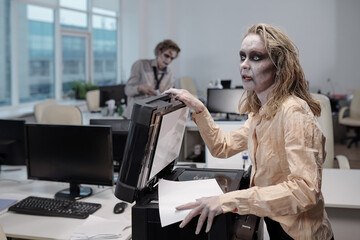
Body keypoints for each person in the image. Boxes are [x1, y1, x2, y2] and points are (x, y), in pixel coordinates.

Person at [165, 23, 334, 239]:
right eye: (242, 56)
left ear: (278, 65)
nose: (244, 65)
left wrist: (228, 200)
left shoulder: (293, 112)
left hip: (301, 232)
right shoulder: (261, 113)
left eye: (256, 57)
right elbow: (222, 147)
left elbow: (305, 191)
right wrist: (199, 108)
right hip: (276, 221)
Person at [122, 39, 181, 119]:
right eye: (166, 56)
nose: (169, 60)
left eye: (172, 58)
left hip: (152, 118)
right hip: (133, 116)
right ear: (159, 52)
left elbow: (169, 97)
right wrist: (140, 88)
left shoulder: (170, 74)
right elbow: (127, 90)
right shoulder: (141, 65)